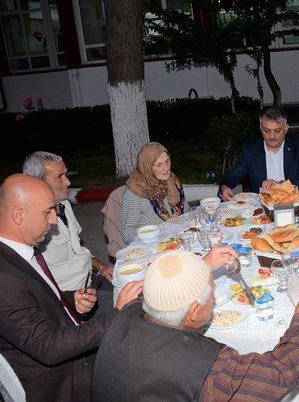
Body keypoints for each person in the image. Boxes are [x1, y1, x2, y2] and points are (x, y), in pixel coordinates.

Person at [92, 249, 299, 401]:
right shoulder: (206, 368)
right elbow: (278, 375)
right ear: (193, 312)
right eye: (211, 294)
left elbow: (165, 289)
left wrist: (199, 267)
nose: (212, 300)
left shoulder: (126, 314)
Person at [0, 174, 142, 400]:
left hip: (69, 341)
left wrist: (69, 299)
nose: (54, 220)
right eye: (47, 212)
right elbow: (50, 347)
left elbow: (33, 302)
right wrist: (117, 313)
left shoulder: (20, 251)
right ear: (18, 216)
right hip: (64, 381)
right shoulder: (4, 278)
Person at [22, 151, 114, 290]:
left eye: (66, 174)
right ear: (38, 183)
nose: (68, 182)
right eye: (60, 177)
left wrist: (102, 267)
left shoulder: (65, 205)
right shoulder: (32, 226)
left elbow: (78, 248)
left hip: (90, 279)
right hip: (70, 295)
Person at [219, 107, 299, 200]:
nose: (271, 136)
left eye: (277, 131)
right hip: (262, 207)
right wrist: (224, 187)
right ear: (261, 128)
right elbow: (232, 176)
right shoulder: (251, 150)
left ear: (286, 129)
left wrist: (280, 185)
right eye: (266, 131)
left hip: (292, 201)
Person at [122, 142, 187, 244]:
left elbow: (186, 213)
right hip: (152, 245)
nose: (166, 168)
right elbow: (127, 232)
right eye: (159, 165)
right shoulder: (135, 191)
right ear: (147, 167)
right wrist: (150, 237)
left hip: (178, 238)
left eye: (167, 161)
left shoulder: (172, 181)